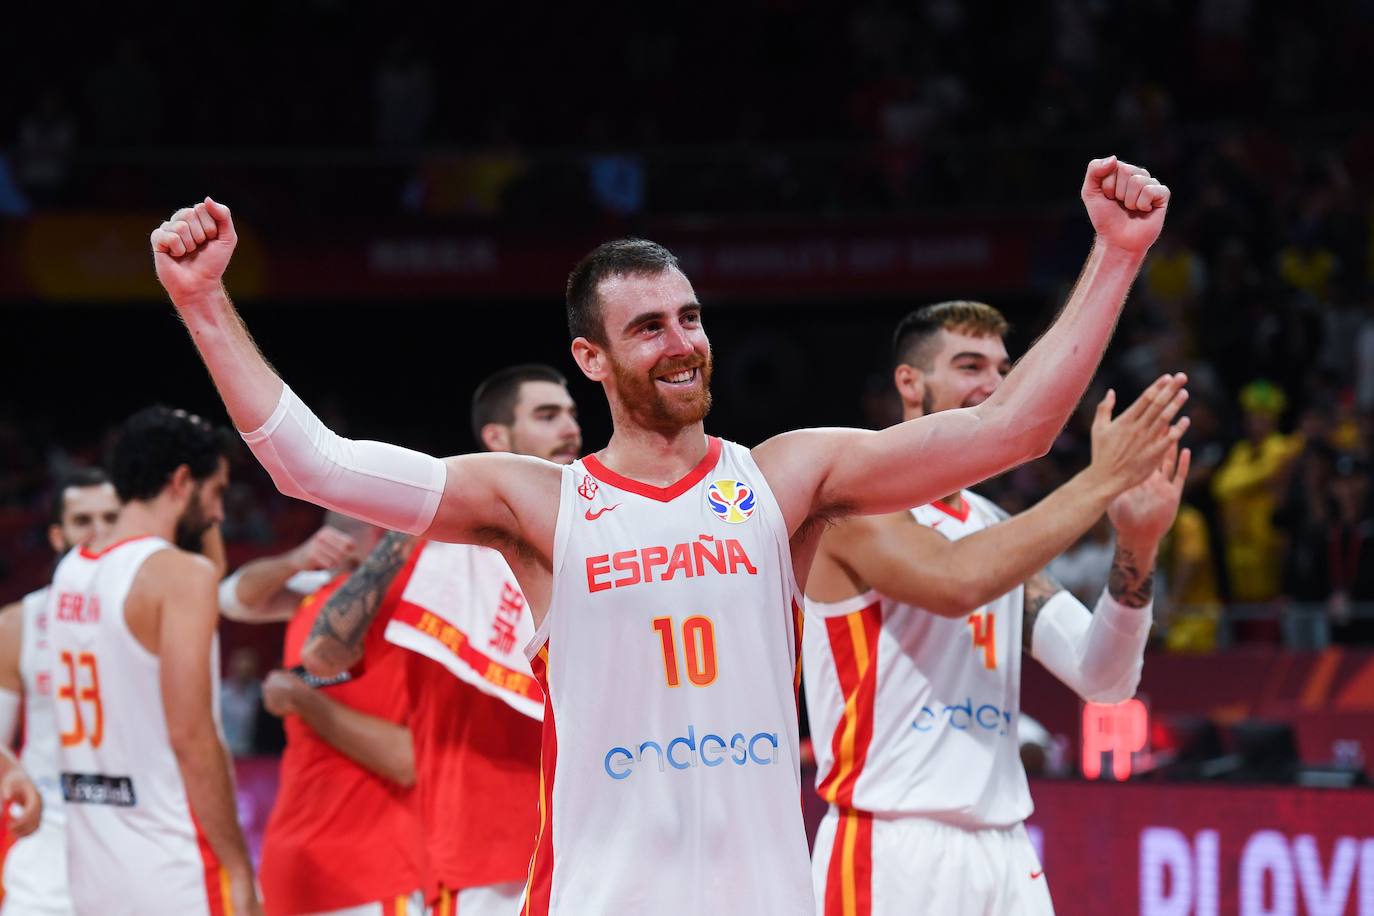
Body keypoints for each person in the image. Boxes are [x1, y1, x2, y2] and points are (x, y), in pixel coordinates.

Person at [153, 155, 1171, 914]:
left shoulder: (785, 475)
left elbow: (1011, 430)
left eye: (690, 318)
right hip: (604, 895)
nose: (682, 342)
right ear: (590, 358)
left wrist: (1117, 255)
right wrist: (203, 305)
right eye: (649, 328)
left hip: (766, 894)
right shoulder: (540, 502)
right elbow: (314, 466)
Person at [802, 300, 1189, 914]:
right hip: (892, 847)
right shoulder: (852, 509)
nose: (994, 387)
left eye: (1004, 370)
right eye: (969, 365)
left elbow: (1106, 680)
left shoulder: (994, 527)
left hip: (1007, 848)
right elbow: (955, 581)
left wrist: (1138, 545)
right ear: (910, 382)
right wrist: (1099, 481)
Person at [302, 364, 580, 916]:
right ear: (496, 439)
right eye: (548, 416)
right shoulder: (438, 552)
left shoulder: (603, 537)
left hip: (596, 846)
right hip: (485, 860)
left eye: (572, 414)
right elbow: (322, 654)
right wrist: (397, 544)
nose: (570, 428)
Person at [47, 407, 260, 916]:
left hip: (93, 869)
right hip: (175, 863)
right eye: (217, 493)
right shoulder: (178, 578)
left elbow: (207, 566)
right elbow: (192, 737)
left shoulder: (73, 570)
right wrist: (236, 865)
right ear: (182, 481)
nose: (219, 516)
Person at [0, 468, 119, 915]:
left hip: (137, 848)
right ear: (57, 535)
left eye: (111, 517)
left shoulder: (157, 615)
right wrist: (11, 774)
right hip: (48, 852)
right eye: (83, 520)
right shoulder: (20, 622)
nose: (99, 532)